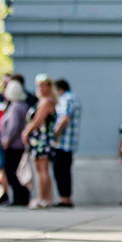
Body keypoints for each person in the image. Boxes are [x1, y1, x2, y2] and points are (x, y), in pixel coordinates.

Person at [0, 76, 31, 207]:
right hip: (16, 144)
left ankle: (20, 197)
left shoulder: (16, 107)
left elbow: (14, 126)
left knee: (13, 172)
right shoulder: (20, 105)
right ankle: (18, 197)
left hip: (14, 145)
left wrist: (7, 140)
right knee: (14, 172)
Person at [23, 75, 57, 208]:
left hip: (42, 140)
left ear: (49, 87)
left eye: (44, 85)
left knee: (42, 170)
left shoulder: (46, 102)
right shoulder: (43, 101)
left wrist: (26, 131)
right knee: (41, 170)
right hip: (39, 140)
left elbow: (37, 120)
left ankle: (43, 198)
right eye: (39, 85)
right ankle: (45, 198)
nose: (41, 88)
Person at [50, 77, 78, 207]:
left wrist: (55, 133)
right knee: (63, 170)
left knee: (61, 170)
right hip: (67, 142)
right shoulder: (71, 98)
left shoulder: (67, 99)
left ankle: (65, 198)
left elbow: (64, 118)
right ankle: (65, 197)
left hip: (63, 142)